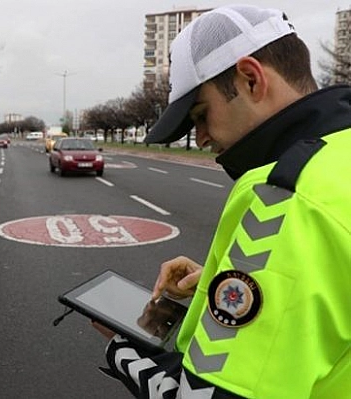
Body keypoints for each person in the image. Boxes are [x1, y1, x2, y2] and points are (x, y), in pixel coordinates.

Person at [93, 5, 351, 398]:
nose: (201, 139)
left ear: (251, 79)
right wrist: (226, 284)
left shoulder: (288, 197)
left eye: (201, 115)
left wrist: (122, 347)